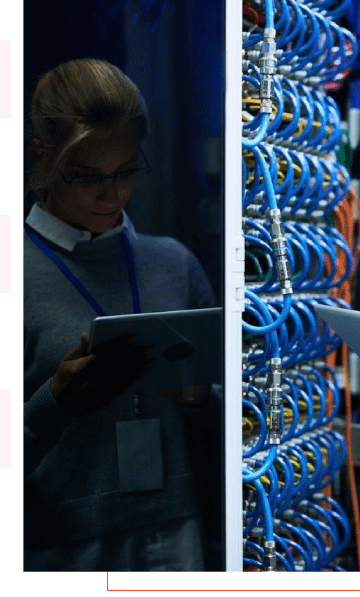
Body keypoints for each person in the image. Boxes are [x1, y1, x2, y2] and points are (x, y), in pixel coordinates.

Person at [22, 58, 217, 571]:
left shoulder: (174, 264)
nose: (113, 195)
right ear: (40, 158)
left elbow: (236, 436)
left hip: (178, 535)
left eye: (127, 172)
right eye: (89, 177)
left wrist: (202, 401)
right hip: (57, 548)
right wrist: (55, 403)